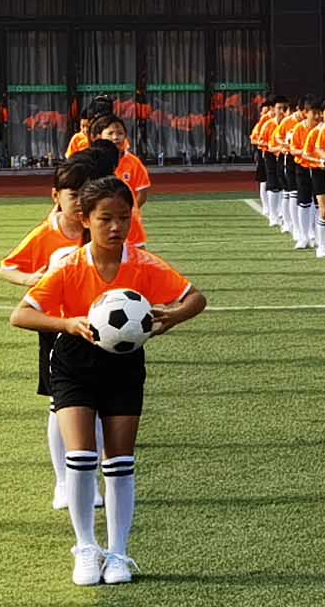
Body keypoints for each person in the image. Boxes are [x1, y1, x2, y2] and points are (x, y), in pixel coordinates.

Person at [12, 176, 201, 585]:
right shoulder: (70, 267)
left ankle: (117, 553)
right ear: (85, 219)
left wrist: (173, 316)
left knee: (119, 461)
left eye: (124, 218)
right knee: (81, 456)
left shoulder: (144, 264)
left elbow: (195, 298)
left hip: (124, 365)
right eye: (105, 219)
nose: (116, 227)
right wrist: (68, 323)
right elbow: (21, 314)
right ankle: (85, 548)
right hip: (73, 362)